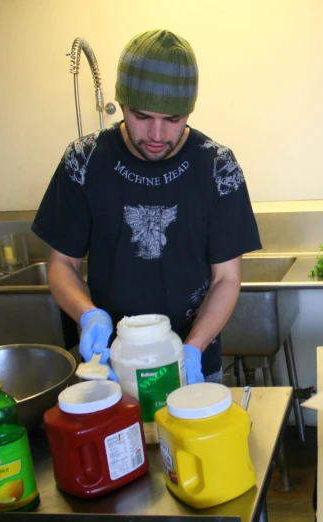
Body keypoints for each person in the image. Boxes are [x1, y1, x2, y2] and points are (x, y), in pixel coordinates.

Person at [32, 29, 261, 385]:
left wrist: (193, 348)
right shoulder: (85, 161)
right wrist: (88, 315)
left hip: (192, 357)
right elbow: (62, 264)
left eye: (173, 119)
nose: (157, 134)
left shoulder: (217, 167)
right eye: (141, 116)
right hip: (110, 364)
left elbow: (227, 279)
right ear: (121, 103)